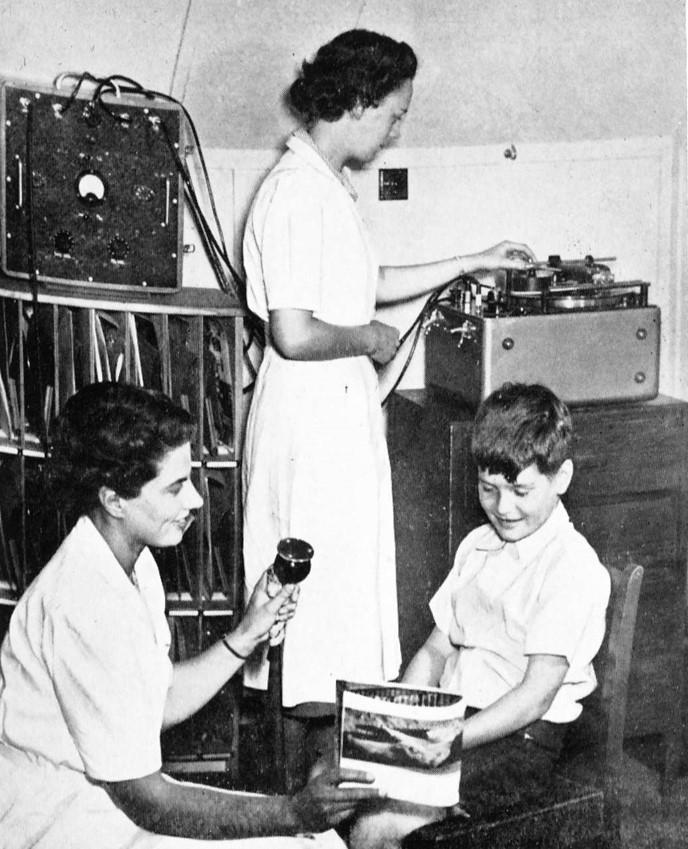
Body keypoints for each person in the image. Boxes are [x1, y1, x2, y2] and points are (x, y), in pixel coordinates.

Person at [241, 27, 537, 768]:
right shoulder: (292, 194)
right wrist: (372, 339)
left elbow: (363, 281)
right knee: (305, 625)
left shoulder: (324, 186)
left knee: (335, 620)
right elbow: (293, 331)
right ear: (361, 98)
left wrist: (472, 258)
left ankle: (330, 788)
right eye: (395, 112)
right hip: (309, 426)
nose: (398, 128)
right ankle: (297, 797)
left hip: (334, 420)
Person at [0, 381, 381, 849]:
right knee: (298, 841)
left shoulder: (131, 559)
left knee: (320, 844)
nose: (197, 501)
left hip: (110, 800)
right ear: (113, 499)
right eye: (176, 487)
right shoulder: (79, 603)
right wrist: (288, 811)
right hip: (61, 820)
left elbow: (155, 702)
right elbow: (146, 800)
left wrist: (246, 634)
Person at [347, 383, 612, 849]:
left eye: (520, 490)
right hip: (459, 720)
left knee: (379, 823)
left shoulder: (571, 567)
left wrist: (447, 741)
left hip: (523, 740)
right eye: (489, 489)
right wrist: (403, 717)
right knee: (337, 781)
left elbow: (534, 696)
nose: (503, 508)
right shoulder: (478, 545)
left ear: (562, 477)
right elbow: (435, 648)